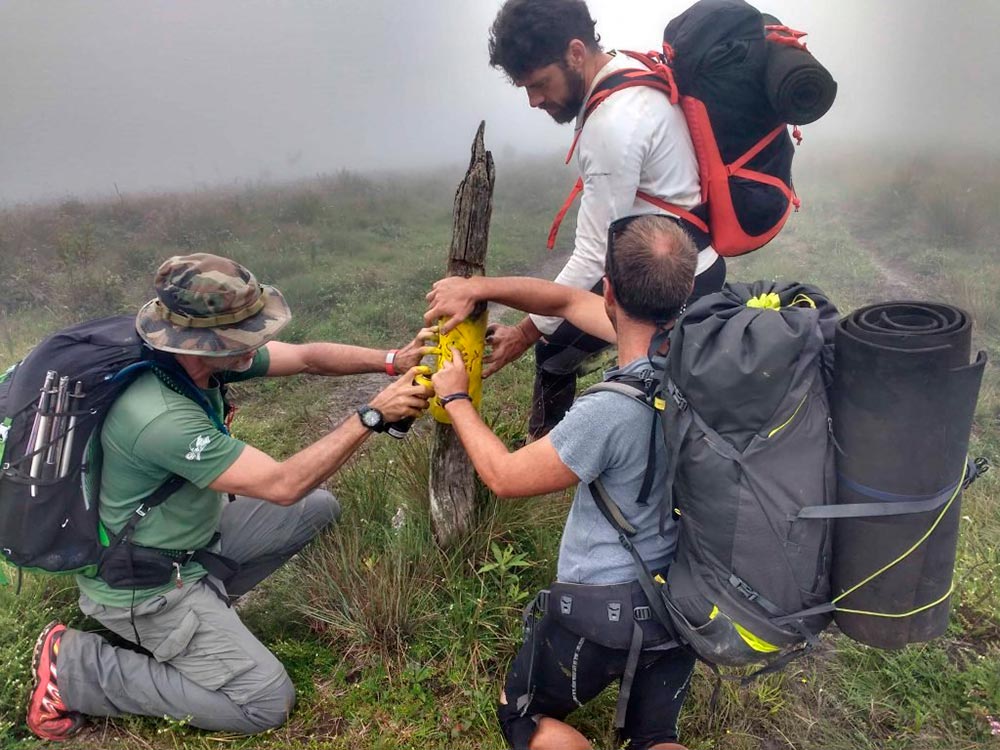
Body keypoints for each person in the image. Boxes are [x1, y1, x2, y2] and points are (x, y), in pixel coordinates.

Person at [25, 253, 434, 741]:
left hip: (188, 547)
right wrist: (371, 416)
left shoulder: (186, 362)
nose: (257, 343)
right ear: (199, 342)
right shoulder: (160, 417)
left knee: (317, 508)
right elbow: (282, 484)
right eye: (244, 335)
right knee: (263, 702)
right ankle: (75, 668)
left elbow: (304, 357)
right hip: (145, 587)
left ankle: (205, 616)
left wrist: (391, 360)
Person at [426, 214, 698, 750]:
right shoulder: (705, 358)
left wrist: (456, 397)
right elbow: (566, 302)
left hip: (601, 613)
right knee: (655, 736)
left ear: (611, 289)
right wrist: (479, 287)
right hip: (682, 602)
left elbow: (504, 476)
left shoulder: (607, 414)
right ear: (686, 290)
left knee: (521, 716)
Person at [485, 0, 725, 438]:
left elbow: (592, 256)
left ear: (576, 53)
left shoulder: (613, 124)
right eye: (525, 88)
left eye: (540, 83)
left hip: (675, 283)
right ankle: (558, 447)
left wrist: (522, 334)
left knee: (559, 352)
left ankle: (550, 452)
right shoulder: (625, 74)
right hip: (686, 263)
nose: (534, 100)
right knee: (584, 352)